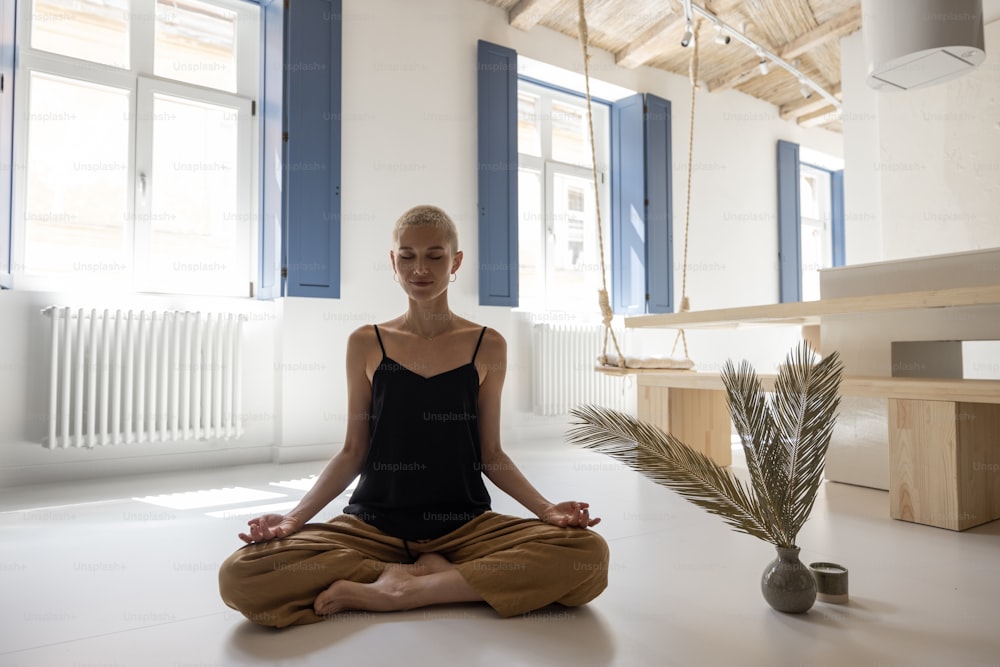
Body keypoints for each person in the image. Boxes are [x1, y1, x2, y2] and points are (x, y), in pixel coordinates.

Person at [218, 205, 609, 627]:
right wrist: (294, 519)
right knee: (241, 575)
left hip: (465, 526)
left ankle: (410, 589)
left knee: (588, 556)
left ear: (455, 261)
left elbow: (491, 453)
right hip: (373, 527)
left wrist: (547, 510)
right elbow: (352, 451)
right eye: (407, 256)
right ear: (393, 262)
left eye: (435, 256)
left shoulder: (488, 345)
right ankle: (411, 576)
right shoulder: (366, 343)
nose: (420, 268)